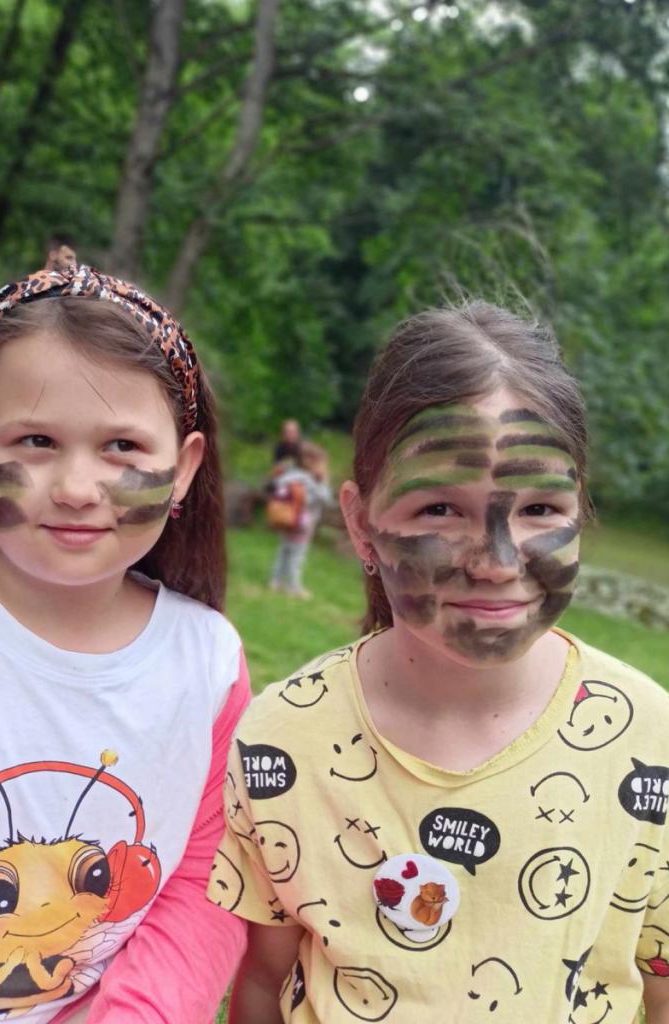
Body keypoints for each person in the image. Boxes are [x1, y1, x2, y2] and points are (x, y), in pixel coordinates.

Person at [211, 302, 669, 1023]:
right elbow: (264, 981)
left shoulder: (648, 743)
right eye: (439, 510)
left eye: (540, 509)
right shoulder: (283, 742)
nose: (497, 562)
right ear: (361, 522)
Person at [0, 264, 249, 1023]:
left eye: (122, 445)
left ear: (184, 468)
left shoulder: (210, 666)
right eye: (36, 440)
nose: (77, 488)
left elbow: (204, 879)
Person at [268, 442, 331, 598]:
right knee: (297, 555)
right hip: (303, 523)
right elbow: (325, 499)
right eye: (322, 463)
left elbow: (278, 485)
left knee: (284, 550)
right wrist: (323, 481)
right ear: (313, 462)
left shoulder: (290, 475)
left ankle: (275, 581)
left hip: (286, 519)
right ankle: (293, 587)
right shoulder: (309, 480)